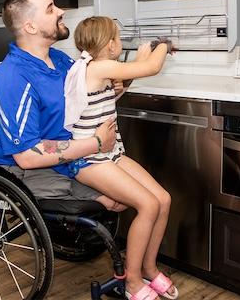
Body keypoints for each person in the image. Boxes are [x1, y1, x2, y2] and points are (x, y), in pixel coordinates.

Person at [62, 16, 179, 300]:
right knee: (148, 205)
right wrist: (164, 44)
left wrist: (138, 60)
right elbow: (151, 67)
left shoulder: (97, 69)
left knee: (163, 200)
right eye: (118, 36)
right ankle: (133, 281)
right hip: (89, 160)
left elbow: (114, 89)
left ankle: (150, 268)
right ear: (110, 43)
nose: (120, 41)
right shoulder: (100, 66)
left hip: (110, 153)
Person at [0, 0, 123, 211]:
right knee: (113, 200)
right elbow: (27, 156)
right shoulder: (12, 79)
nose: (61, 11)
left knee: (123, 197)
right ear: (30, 27)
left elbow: (83, 100)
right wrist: (95, 143)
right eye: (50, 9)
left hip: (68, 157)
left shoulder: (60, 60)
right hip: (24, 171)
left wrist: (110, 90)